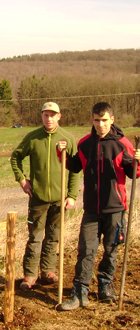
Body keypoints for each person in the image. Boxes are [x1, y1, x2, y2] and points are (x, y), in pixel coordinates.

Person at [57, 102, 140, 310]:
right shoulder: (85, 144)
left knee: (111, 250)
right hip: (91, 209)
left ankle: (105, 285)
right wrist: (62, 154)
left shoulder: (123, 144)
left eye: (104, 120)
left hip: (116, 209)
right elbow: (74, 166)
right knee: (86, 250)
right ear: (92, 120)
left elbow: (133, 173)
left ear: (112, 120)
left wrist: (139, 162)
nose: (100, 124)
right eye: (96, 120)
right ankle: (79, 292)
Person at [11, 102, 80, 289]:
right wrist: (22, 180)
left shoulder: (68, 139)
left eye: (53, 115)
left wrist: (72, 195)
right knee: (35, 236)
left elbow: (76, 170)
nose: (49, 118)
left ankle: (48, 271)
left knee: (54, 235)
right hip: (38, 198)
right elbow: (15, 157)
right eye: (46, 115)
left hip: (60, 199)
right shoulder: (33, 138)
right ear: (41, 116)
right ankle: (30, 274)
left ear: (59, 116)